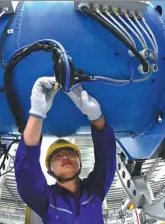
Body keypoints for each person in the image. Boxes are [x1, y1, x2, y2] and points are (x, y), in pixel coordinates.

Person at [15, 77, 116, 223]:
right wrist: (36, 112)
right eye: (57, 156)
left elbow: (106, 159)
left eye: (70, 153)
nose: (65, 156)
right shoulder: (45, 200)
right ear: (49, 170)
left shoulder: (95, 191)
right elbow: (27, 169)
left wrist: (96, 116)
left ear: (80, 163)